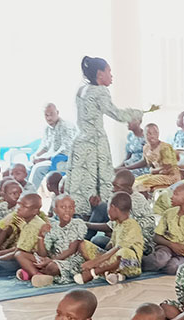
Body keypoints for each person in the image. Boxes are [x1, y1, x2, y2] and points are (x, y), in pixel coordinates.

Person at [67, 56, 156, 219]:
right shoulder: (100, 90)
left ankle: (83, 220)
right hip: (95, 143)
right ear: (100, 74)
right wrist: (139, 112)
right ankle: (105, 218)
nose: (111, 75)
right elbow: (118, 114)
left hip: (80, 142)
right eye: (109, 71)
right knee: (102, 184)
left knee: (83, 186)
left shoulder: (81, 89)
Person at [16, 194, 89, 287]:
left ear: (74, 209)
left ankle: (34, 273)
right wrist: (40, 237)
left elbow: (72, 250)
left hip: (69, 261)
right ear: (55, 210)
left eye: (70, 207)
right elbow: (43, 254)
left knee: (52, 267)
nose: (67, 210)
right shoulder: (52, 226)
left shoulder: (78, 224)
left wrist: (50, 261)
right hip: (50, 259)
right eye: (63, 207)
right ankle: (38, 275)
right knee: (19, 254)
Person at [75, 191, 143, 285]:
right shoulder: (117, 223)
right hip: (113, 259)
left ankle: (93, 273)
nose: (107, 212)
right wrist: (97, 254)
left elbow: (117, 248)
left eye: (107, 208)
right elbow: (110, 246)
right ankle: (111, 273)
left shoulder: (132, 225)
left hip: (129, 263)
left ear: (113, 208)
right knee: (82, 243)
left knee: (123, 252)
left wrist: (95, 262)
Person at [143, 182, 184, 276]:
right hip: (167, 247)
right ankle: (133, 264)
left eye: (176, 194)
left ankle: (159, 265)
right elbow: (156, 237)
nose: (171, 197)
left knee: (174, 267)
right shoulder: (168, 213)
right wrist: (171, 245)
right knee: (160, 259)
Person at [0, 193, 47, 277]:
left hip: (30, 260)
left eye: (24, 206)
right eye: (19, 204)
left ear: (35, 211)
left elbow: (16, 253)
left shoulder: (33, 226)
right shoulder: (19, 215)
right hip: (18, 254)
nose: (18, 208)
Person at [29, 103, 78, 188]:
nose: (49, 118)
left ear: (57, 112)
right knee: (27, 167)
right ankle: (22, 194)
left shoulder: (66, 126)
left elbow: (66, 149)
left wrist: (44, 158)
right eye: (46, 115)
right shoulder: (47, 128)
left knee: (38, 169)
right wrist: (36, 156)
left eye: (51, 114)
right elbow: (44, 146)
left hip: (64, 160)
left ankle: (30, 196)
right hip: (51, 159)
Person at [130, 123, 180, 192]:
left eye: (155, 133)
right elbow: (148, 163)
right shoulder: (146, 147)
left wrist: (153, 171)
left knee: (143, 183)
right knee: (135, 181)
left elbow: (167, 167)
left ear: (158, 134)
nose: (152, 136)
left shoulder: (165, 147)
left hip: (170, 176)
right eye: (148, 134)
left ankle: (143, 199)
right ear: (144, 135)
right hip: (156, 174)